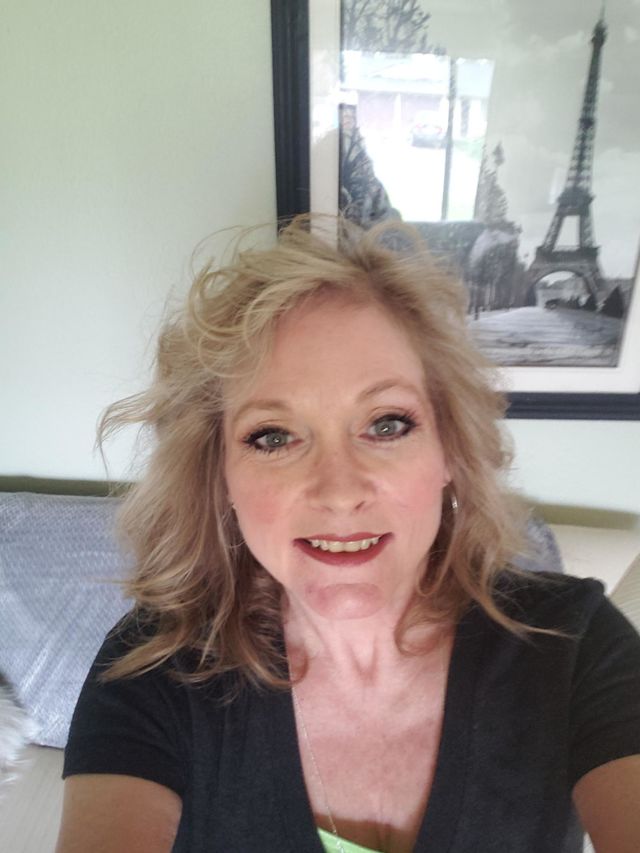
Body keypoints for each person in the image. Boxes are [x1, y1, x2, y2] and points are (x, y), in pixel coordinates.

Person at [56, 217, 640, 853]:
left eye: (386, 424)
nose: (338, 491)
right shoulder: (157, 664)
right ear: (219, 475)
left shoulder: (575, 644)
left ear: (450, 450)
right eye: (273, 437)